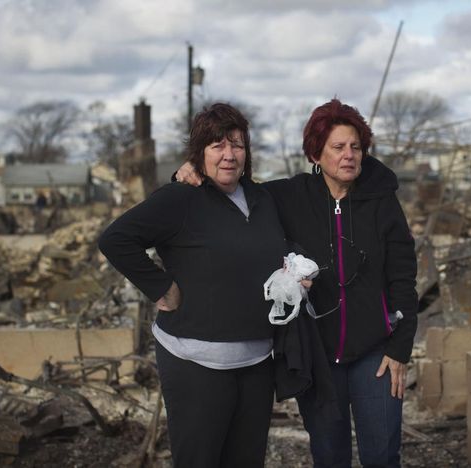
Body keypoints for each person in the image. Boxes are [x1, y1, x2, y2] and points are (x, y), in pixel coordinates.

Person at [175, 98, 418, 467]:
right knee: (328, 456)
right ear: (316, 153)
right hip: (317, 357)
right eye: (338, 147)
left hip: (376, 353)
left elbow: (403, 277)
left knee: (383, 455)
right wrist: (188, 172)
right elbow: (233, 186)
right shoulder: (288, 196)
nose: (348, 155)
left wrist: (400, 347)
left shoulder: (382, 202)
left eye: (355, 147)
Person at [99, 103, 290, 468]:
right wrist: (161, 287)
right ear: (199, 153)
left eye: (237, 145)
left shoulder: (263, 199)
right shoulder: (181, 198)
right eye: (217, 146)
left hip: (257, 362)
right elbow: (116, 238)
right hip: (196, 363)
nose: (229, 155)